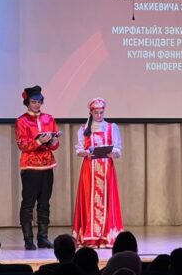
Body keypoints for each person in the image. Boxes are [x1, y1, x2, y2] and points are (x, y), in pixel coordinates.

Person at [72, 97, 123, 248]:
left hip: (106, 169)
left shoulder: (112, 127)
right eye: (96, 113)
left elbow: (118, 148)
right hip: (90, 169)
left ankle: (107, 236)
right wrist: (86, 153)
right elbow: (79, 150)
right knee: (89, 200)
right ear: (91, 112)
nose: (99, 115)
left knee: (107, 200)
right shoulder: (84, 129)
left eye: (101, 112)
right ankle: (90, 236)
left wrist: (113, 153)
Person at [15, 85, 60, 250]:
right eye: (34, 102)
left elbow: (54, 146)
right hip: (30, 167)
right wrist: (39, 141)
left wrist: (53, 141)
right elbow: (22, 145)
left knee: (44, 203)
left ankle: (43, 238)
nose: (37, 105)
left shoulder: (49, 118)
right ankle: (28, 239)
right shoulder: (21, 121)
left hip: (47, 165)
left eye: (39, 102)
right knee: (28, 204)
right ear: (27, 102)